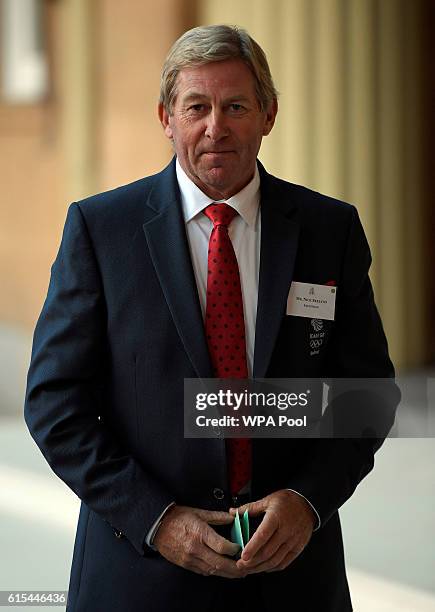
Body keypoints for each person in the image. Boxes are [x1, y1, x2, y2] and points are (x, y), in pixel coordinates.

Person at [24, 24, 396, 612]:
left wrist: (307, 501)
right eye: (196, 106)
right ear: (166, 118)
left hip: (292, 577)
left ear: (268, 114)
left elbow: (366, 397)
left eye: (236, 106)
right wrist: (157, 520)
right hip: (139, 576)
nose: (215, 127)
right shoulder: (101, 231)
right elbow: (54, 403)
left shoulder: (330, 231)